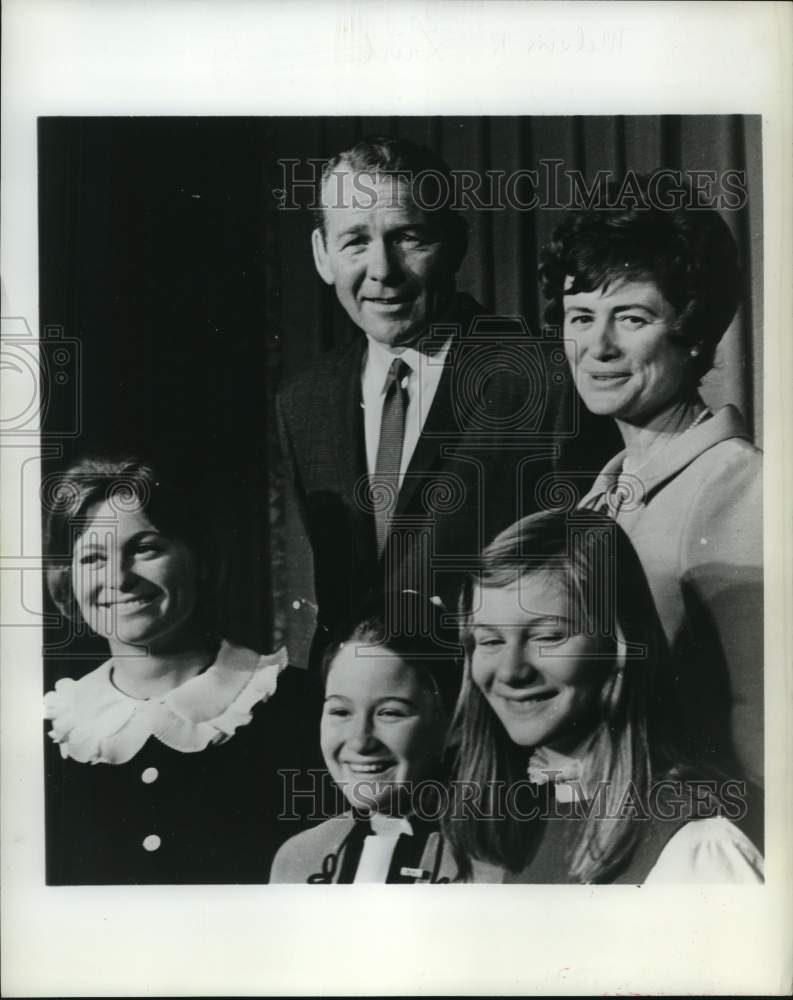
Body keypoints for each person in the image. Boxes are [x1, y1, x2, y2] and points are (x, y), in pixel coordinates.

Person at [277, 134, 594, 670]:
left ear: (455, 241)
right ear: (322, 255)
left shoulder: (545, 378)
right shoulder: (304, 401)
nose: (382, 269)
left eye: (408, 237)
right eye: (355, 241)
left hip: (494, 720)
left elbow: (579, 591)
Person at [538, 182, 763, 812]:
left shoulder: (742, 490)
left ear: (694, 332)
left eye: (631, 318)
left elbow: (764, 740)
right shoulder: (593, 502)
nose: (598, 346)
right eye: (580, 316)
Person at [444, 509, 764, 884]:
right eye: (490, 640)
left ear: (618, 645)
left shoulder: (695, 846)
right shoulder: (527, 823)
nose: (511, 671)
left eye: (548, 636)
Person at [42, 457, 321, 884]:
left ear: (202, 559)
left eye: (146, 548)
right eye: (92, 558)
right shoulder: (53, 732)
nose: (119, 578)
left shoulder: (300, 708)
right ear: (66, 580)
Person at [270, 591, 461, 883]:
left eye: (390, 713)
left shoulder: (490, 863)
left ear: (450, 724)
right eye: (340, 712)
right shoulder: (298, 859)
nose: (360, 741)